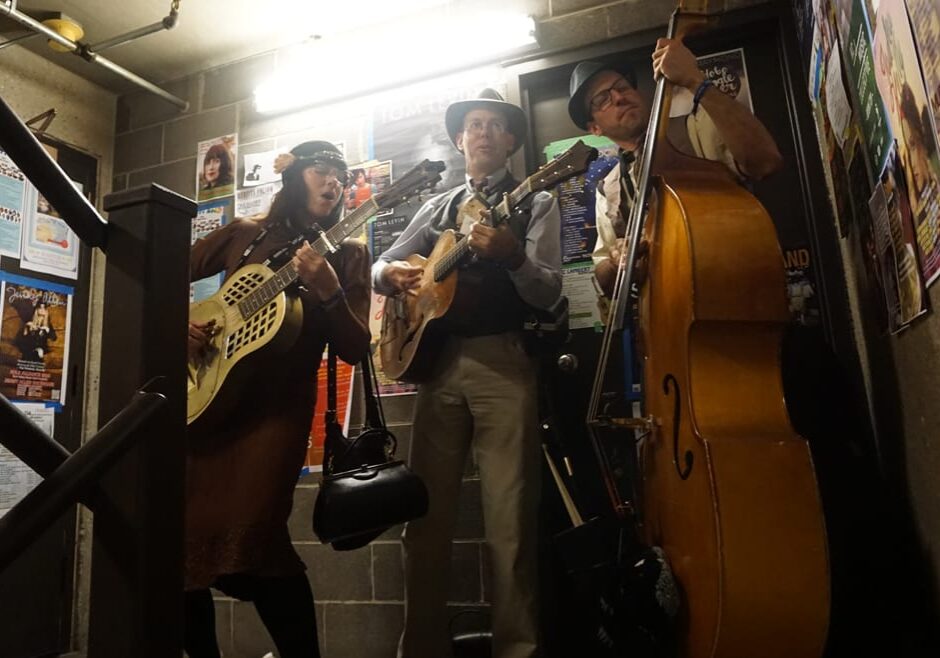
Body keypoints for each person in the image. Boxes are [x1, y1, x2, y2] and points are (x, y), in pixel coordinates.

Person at [372, 89, 562, 658]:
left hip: (503, 361)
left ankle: (517, 649)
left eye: (494, 125)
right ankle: (423, 648)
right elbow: (386, 260)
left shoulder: (538, 200)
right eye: (473, 125)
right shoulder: (437, 207)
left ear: (509, 141)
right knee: (423, 521)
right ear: (459, 140)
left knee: (510, 521)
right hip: (439, 365)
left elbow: (550, 292)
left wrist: (512, 256)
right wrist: (391, 279)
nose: (482, 132)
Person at [184, 140, 371, 658]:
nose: (333, 182)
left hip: (277, 415)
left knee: (257, 538)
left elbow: (356, 349)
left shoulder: (350, 253)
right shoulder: (245, 234)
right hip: (207, 404)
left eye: (341, 174)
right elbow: (158, 274)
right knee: (181, 549)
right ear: (294, 177)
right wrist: (179, 323)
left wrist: (331, 291)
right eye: (322, 170)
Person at [568, 39, 784, 296]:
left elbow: (765, 161)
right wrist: (616, 260)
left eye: (622, 87)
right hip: (666, 318)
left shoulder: (695, 127)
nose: (618, 97)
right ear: (595, 128)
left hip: (737, 291)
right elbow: (602, 273)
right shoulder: (608, 187)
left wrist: (695, 80)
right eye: (603, 99)